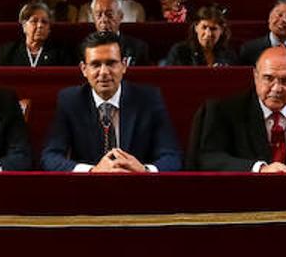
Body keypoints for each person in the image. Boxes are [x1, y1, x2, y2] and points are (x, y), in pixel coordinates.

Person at [41, 30, 182, 173]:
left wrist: (144, 170)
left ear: (124, 65)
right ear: (84, 69)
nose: (104, 72)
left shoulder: (149, 99)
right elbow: (50, 157)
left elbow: (172, 156)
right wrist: (92, 171)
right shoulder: (70, 100)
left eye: (111, 63)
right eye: (96, 65)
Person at [0, 2, 73, 67]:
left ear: (49, 29)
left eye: (44, 22)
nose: (40, 25)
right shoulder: (8, 51)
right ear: (24, 26)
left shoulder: (62, 52)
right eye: (34, 21)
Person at [82, 0, 150, 65]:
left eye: (109, 15)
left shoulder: (138, 48)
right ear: (93, 18)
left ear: (120, 16)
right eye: (98, 15)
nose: (104, 19)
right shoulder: (83, 48)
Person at [161, 5, 238, 66]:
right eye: (204, 27)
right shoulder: (180, 51)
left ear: (221, 31)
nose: (208, 34)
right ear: (196, 28)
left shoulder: (229, 54)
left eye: (213, 29)